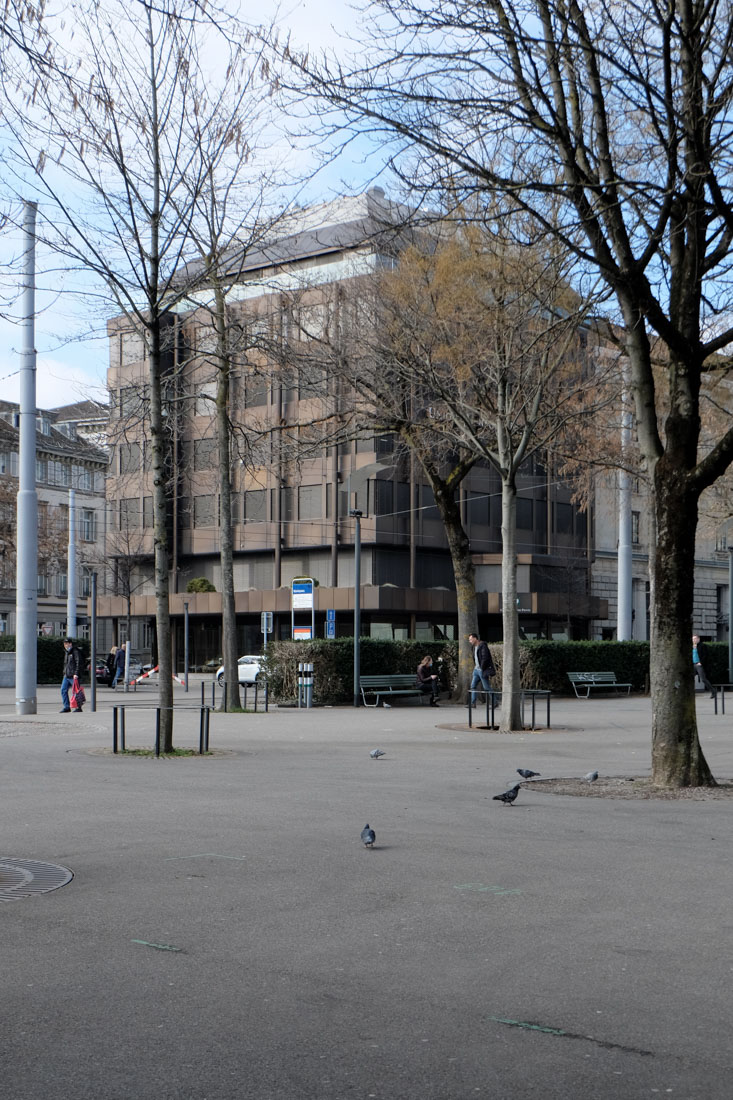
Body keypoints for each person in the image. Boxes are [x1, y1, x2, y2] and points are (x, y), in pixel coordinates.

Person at [468, 632, 496, 706]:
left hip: (482, 670)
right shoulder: (473, 647)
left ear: (475, 638)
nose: (469, 641)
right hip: (476, 670)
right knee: (473, 686)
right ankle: (472, 703)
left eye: (470, 639)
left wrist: (482, 667)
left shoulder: (483, 646)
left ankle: (494, 702)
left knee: (486, 687)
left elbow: (485, 658)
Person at [60, 637, 83, 713]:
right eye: (65, 643)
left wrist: (76, 673)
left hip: (73, 676)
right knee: (63, 690)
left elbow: (78, 663)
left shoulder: (75, 651)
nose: (66, 645)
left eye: (67, 643)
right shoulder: (67, 652)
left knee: (76, 692)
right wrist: (64, 672)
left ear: (71, 644)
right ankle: (67, 707)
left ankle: (78, 707)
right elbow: (66, 664)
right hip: (67, 675)